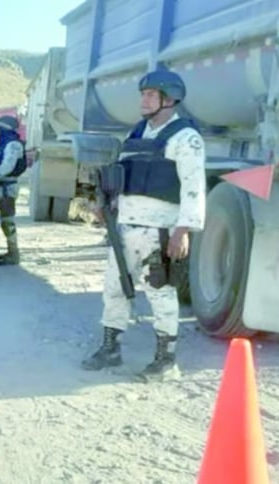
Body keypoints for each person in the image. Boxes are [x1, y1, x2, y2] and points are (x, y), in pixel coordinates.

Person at [80, 69, 207, 382]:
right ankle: (111, 347)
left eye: (151, 94)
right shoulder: (136, 134)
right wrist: (106, 205)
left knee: (161, 293)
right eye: (143, 94)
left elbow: (194, 186)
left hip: (160, 231)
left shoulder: (185, 138)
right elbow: (123, 177)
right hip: (125, 227)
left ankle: (166, 360)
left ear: (169, 99)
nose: (143, 99)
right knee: (115, 288)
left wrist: (184, 230)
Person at [0, 115, 27, 266]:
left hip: (8, 186)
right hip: (2, 186)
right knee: (5, 220)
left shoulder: (13, 144)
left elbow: (7, 166)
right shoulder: (4, 144)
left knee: (8, 220)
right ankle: (11, 251)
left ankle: (14, 254)